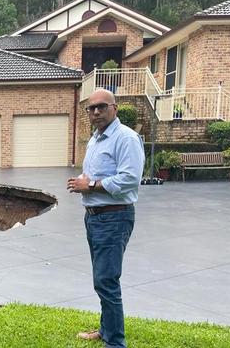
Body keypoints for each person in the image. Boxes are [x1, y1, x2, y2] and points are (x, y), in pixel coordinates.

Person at [66, 89, 144, 348]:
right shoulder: (96, 139)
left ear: (115, 108)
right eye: (91, 108)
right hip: (95, 218)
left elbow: (130, 179)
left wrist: (91, 185)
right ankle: (105, 329)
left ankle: (115, 342)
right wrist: (83, 183)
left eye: (102, 107)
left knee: (106, 280)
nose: (96, 112)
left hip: (114, 217)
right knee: (102, 278)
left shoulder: (126, 138)